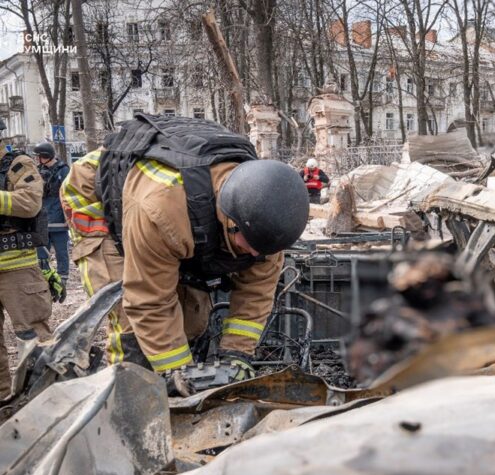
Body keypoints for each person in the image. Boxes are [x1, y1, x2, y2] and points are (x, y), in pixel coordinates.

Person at [60, 113, 308, 392]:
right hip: (99, 198)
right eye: (247, 245)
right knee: (130, 318)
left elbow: (256, 293)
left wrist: (237, 355)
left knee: (192, 316)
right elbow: (149, 300)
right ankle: (126, 395)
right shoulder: (163, 211)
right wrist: (176, 373)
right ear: (230, 218)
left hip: (180, 211)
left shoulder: (266, 222)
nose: (253, 254)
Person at [0, 118, 52, 398]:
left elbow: (30, 203)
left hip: (16, 268)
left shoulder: (18, 165)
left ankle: (44, 403)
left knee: (34, 339)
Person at [33, 142, 71, 297]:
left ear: (45, 156)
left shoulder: (64, 170)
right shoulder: (38, 171)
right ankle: (45, 278)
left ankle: (62, 280)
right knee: (42, 252)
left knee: (62, 252)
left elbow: (68, 194)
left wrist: (68, 217)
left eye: (38, 156)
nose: (36, 159)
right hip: (43, 220)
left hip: (60, 220)